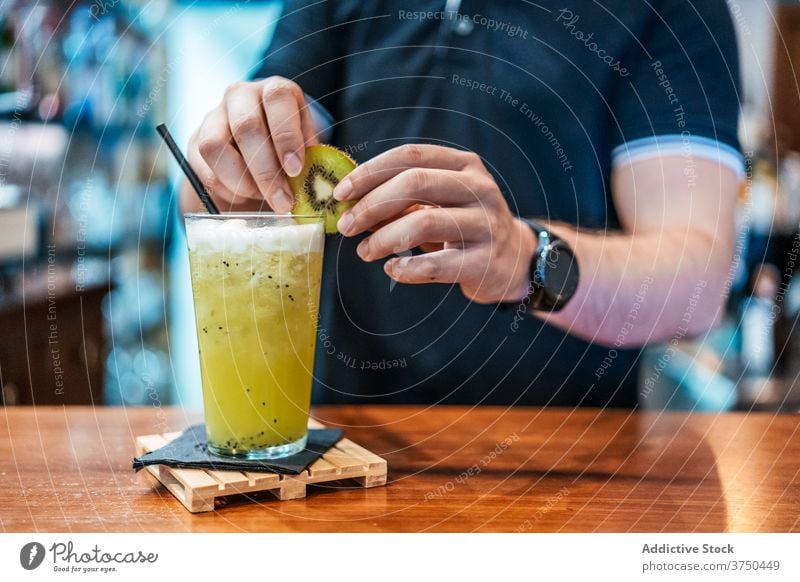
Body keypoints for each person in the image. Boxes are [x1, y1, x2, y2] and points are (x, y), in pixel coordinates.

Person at [181, 0, 743, 407]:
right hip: (347, 448)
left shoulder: (670, 10)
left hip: (567, 464)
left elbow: (698, 285)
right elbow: (209, 200)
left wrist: (525, 257)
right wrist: (230, 159)